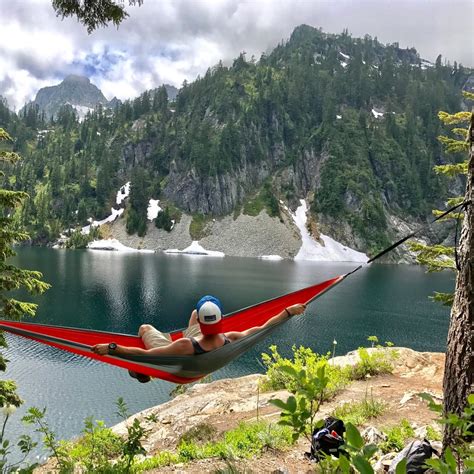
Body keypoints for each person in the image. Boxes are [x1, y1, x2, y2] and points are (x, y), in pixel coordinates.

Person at [91, 295, 306, 383]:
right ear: (222, 319)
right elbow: (265, 326)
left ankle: (140, 373)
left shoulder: (183, 346)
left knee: (144, 328)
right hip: (208, 350)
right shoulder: (232, 338)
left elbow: (144, 354)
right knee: (196, 311)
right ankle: (201, 318)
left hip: (184, 360)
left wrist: (111, 347)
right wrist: (289, 311)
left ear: (202, 326)